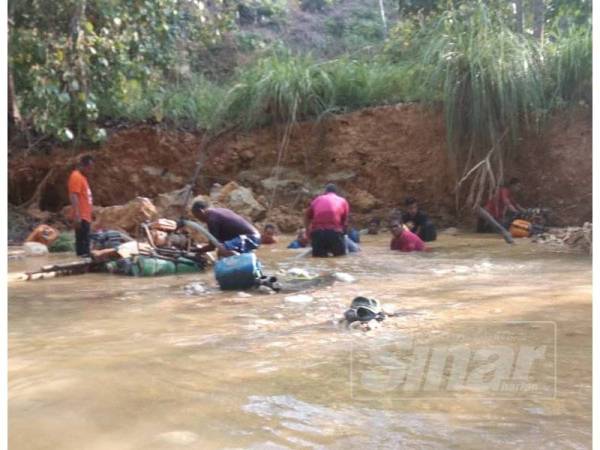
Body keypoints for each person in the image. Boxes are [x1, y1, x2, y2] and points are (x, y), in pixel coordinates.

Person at [191, 201, 261, 257]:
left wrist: (195, 250)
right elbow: (218, 242)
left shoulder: (212, 219)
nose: (199, 220)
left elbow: (212, 246)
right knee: (224, 249)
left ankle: (238, 265)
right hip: (254, 237)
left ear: (201, 211)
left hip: (250, 237)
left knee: (222, 252)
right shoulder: (219, 211)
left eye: (197, 217)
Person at [305, 183, 349, 257]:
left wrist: (308, 233)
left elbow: (307, 216)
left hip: (318, 234)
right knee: (340, 258)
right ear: (336, 192)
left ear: (325, 192)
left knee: (318, 260)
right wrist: (343, 235)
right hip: (335, 233)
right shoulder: (343, 201)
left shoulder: (317, 199)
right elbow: (345, 223)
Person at [68, 155, 94, 256]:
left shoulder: (82, 177)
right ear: (83, 166)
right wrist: (77, 215)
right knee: (83, 244)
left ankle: (84, 264)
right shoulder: (76, 176)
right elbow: (73, 195)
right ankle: (83, 264)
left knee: (85, 242)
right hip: (81, 216)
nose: (90, 170)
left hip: (85, 216)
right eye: (89, 168)